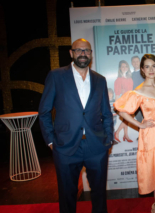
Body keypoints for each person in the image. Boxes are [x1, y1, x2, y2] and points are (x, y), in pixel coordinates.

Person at [38, 38, 113, 213]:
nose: (83, 53)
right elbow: (44, 112)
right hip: (65, 148)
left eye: (86, 50)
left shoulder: (100, 80)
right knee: (67, 194)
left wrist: (108, 139)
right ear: (71, 53)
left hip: (96, 146)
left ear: (91, 54)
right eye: (78, 50)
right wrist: (51, 141)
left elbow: (106, 113)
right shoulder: (56, 76)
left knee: (99, 194)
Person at [113, 54, 155, 213]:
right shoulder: (139, 91)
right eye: (147, 66)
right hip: (151, 136)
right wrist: (139, 124)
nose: (151, 69)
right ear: (142, 69)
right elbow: (121, 109)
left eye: (154, 66)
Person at [114, 60, 133, 143]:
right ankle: (117, 132)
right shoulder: (118, 80)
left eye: (126, 66)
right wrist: (117, 107)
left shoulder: (130, 78)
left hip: (130, 101)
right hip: (123, 102)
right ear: (120, 68)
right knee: (127, 119)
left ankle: (125, 134)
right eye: (122, 66)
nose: (124, 68)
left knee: (126, 119)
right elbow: (117, 94)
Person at [131, 56, 144, 123]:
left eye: (137, 61)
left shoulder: (145, 73)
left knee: (147, 119)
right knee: (139, 121)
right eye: (134, 62)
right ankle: (141, 133)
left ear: (140, 62)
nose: (135, 63)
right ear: (132, 63)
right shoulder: (130, 75)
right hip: (135, 101)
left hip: (144, 100)